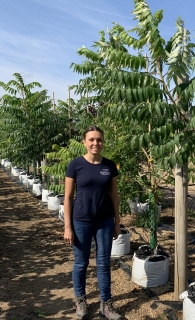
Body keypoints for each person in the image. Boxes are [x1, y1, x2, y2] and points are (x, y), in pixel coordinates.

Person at [64, 125, 121, 320]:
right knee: (81, 263)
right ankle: (80, 301)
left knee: (104, 264)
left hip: (104, 221)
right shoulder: (75, 165)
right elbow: (68, 196)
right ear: (84, 142)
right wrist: (67, 227)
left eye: (99, 140)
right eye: (92, 139)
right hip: (81, 221)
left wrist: (117, 222)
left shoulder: (109, 166)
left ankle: (106, 304)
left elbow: (114, 195)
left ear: (103, 142)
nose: (96, 143)